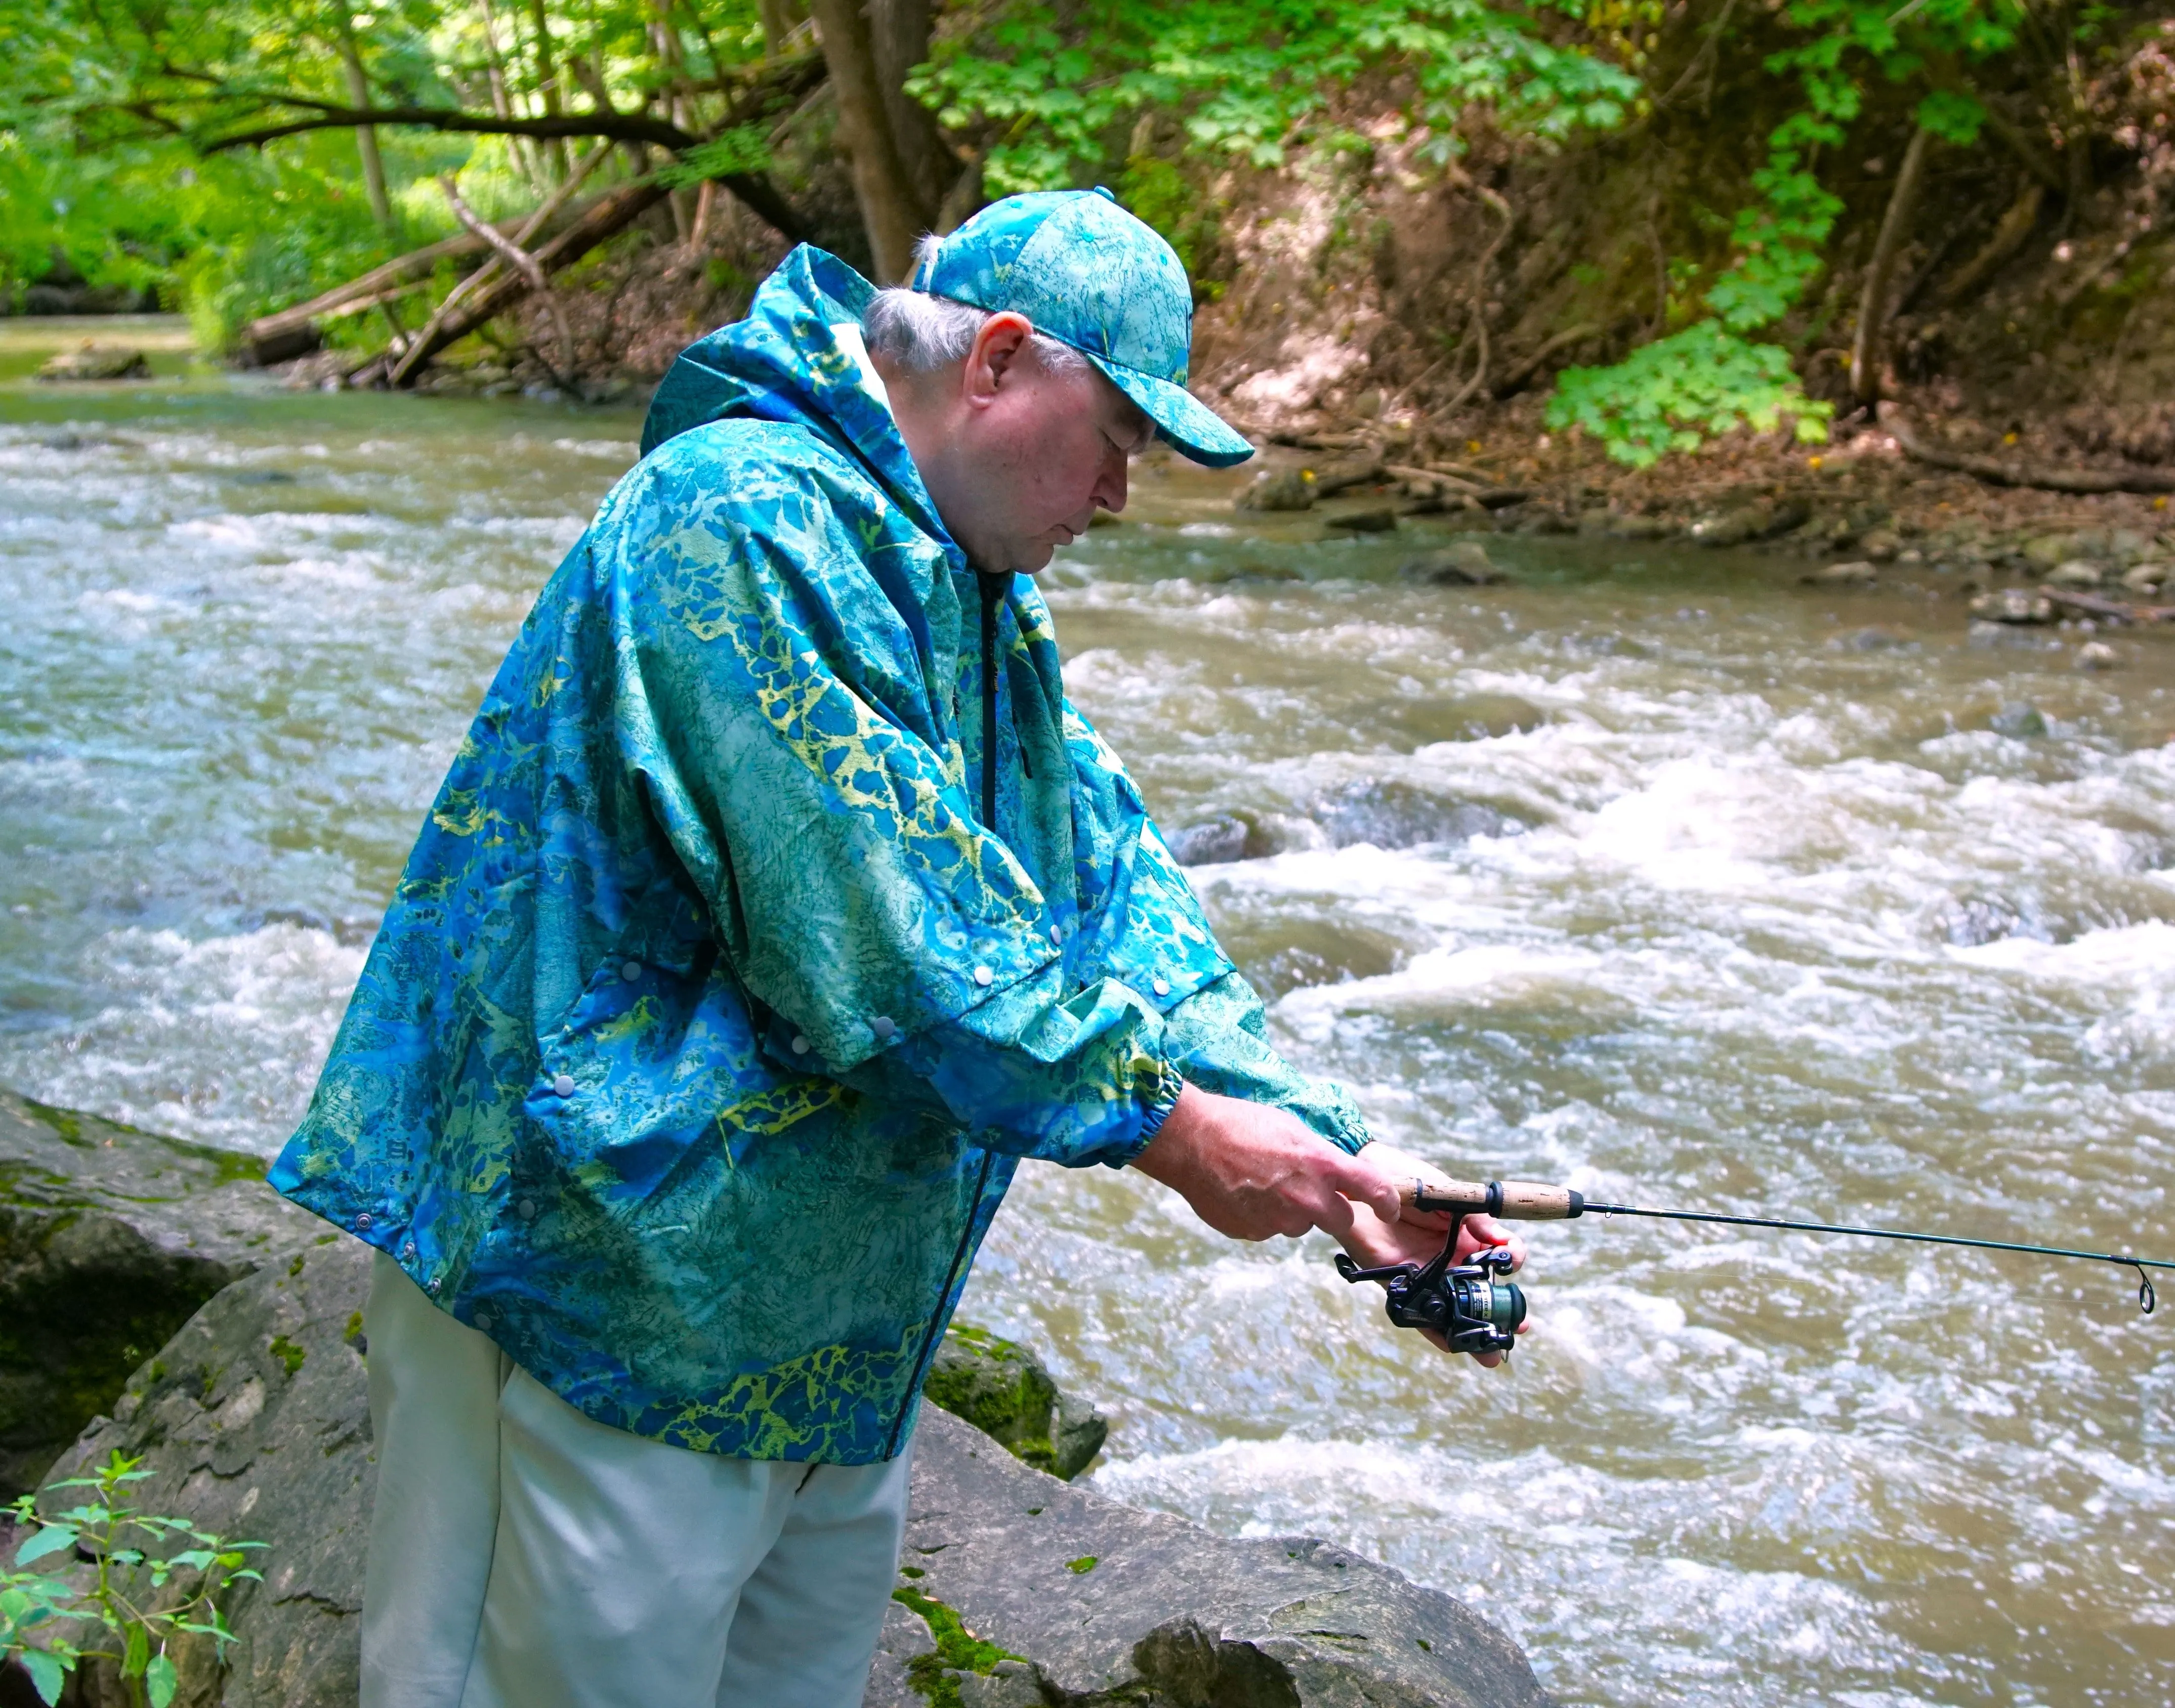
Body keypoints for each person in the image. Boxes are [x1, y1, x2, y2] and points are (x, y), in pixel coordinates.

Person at [269, 186, 1525, 1708]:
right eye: (1117, 440)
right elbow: (885, 931)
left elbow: (1108, 890)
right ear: (995, 360)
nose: (1119, 495)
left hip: (818, 1342)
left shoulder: (976, 594)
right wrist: (1182, 1137)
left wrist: (1344, 1153)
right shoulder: (735, 520)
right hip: (592, 1300)